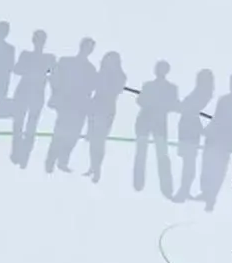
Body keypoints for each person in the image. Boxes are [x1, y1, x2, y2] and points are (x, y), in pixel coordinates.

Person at [198, 73, 232, 210]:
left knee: (219, 167)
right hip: (214, 136)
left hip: (226, 139)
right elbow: (216, 118)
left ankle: (211, 197)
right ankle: (205, 192)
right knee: (207, 165)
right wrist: (207, 131)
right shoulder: (224, 100)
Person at [43, 38, 97, 173]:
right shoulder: (66, 62)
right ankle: (50, 161)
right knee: (60, 133)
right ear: (81, 46)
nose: (88, 50)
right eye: (87, 46)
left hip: (80, 107)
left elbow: (91, 88)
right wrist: (58, 95)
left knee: (73, 135)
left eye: (90, 48)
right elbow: (54, 79)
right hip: (66, 104)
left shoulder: (91, 69)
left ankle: (63, 161)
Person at [2, 30, 52, 165]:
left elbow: (52, 76)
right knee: (19, 124)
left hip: (36, 94)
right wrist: (31, 70)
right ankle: (17, 153)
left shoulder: (49, 58)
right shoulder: (26, 55)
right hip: (24, 92)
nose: (39, 42)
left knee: (30, 126)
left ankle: (24, 156)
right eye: (38, 39)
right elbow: (17, 69)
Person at [133, 61, 179, 197]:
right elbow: (140, 101)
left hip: (159, 125)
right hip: (144, 122)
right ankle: (138, 183)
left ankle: (166, 188)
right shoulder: (148, 85)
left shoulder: (171, 88)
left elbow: (173, 105)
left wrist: (163, 104)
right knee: (141, 154)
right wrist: (150, 102)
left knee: (162, 156)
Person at [171, 68, 216, 203]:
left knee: (188, 163)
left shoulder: (201, 94)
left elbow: (190, 110)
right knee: (188, 162)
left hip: (189, 130)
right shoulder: (201, 93)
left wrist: (181, 106)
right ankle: (184, 190)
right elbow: (188, 109)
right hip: (188, 128)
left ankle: (183, 191)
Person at [83, 52, 126, 181]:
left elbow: (115, 90)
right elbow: (92, 86)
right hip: (95, 106)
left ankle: (97, 169)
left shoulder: (120, 76)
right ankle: (93, 166)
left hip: (107, 108)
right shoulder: (100, 73)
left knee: (99, 141)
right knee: (92, 139)